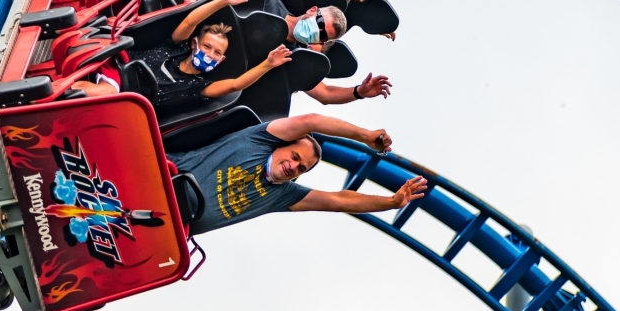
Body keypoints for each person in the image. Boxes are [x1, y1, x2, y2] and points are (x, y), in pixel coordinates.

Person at [167, 113, 427, 235]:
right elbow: (310, 121)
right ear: (281, 145)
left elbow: (338, 201)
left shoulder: (281, 195)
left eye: (301, 168)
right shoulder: (257, 141)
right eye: (294, 157)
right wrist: (364, 136)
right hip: (162, 180)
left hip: (175, 226)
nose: (293, 166)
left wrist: (392, 202)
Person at [74, 0, 291, 112]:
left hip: (124, 104)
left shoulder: (198, 87)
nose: (209, 54)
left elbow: (235, 85)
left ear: (221, 60)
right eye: (207, 46)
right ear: (194, 43)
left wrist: (268, 64)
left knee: (106, 98)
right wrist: (222, 1)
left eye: (216, 53)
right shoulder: (175, 47)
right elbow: (189, 22)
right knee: (106, 91)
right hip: (115, 67)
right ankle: (47, 94)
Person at [261, 0, 392, 104]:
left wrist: (360, 92)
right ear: (312, 10)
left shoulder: (293, 58)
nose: (317, 31)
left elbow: (325, 93)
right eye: (319, 23)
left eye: (322, 35)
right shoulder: (269, 0)